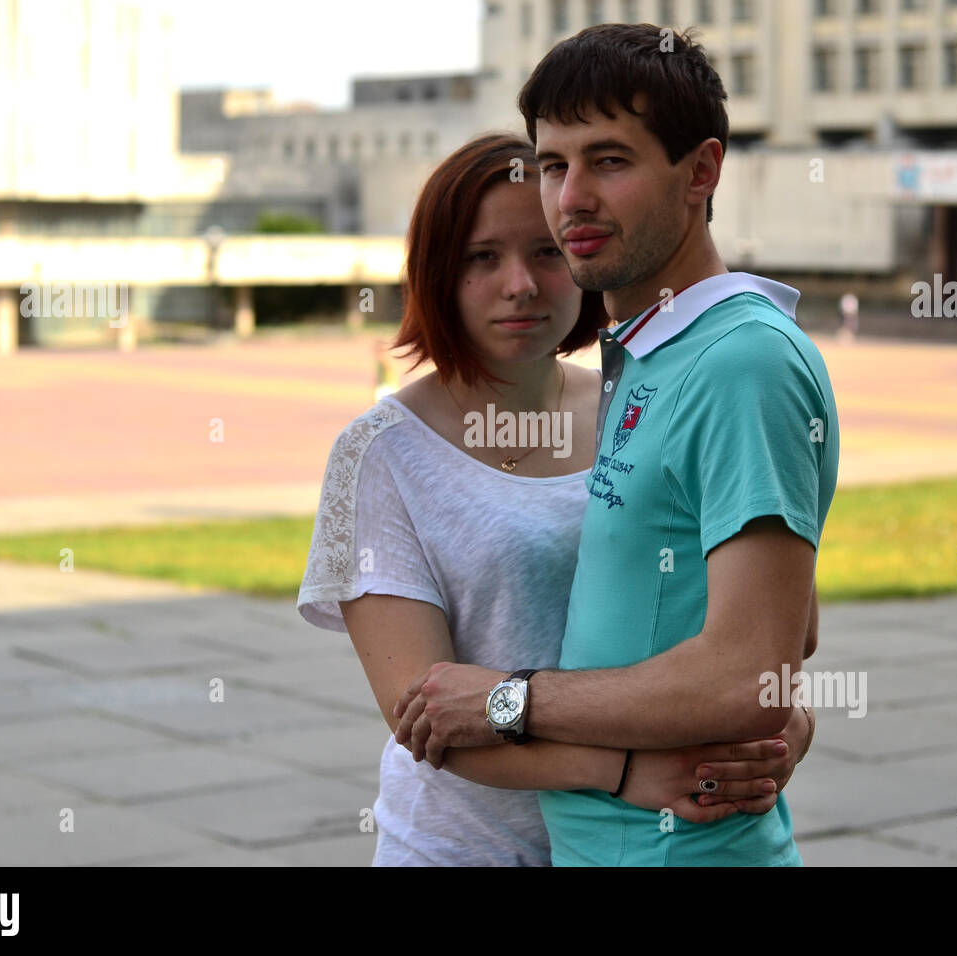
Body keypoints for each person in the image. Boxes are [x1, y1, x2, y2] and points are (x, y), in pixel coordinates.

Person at [297, 131, 816, 867]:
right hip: (465, 849)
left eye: (545, 251)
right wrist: (622, 772)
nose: (522, 284)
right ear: (437, 274)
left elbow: (775, 621)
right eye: (482, 258)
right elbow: (427, 715)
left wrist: (780, 718)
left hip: (643, 846)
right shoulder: (379, 454)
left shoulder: (640, 399)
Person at [392, 24, 840, 866]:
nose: (571, 199)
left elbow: (749, 673)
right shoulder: (646, 352)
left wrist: (503, 700)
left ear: (700, 171)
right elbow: (793, 629)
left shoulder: (741, 360)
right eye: (554, 164)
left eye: (610, 160)